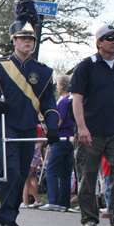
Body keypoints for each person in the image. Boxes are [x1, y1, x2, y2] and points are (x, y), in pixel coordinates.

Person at [0, 0, 59, 226]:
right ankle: (7, 220)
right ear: (14, 40)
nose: (27, 42)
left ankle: (11, 216)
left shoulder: (43, 72)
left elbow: (49, 104)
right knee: (10, 170)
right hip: (5, 125)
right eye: (22, 38)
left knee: (21, 173)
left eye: (31, 38)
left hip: (29, 127)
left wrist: (52, 127)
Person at [70, 23, 114, 226]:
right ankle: (89, 218)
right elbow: (77, 99)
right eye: (110, 38)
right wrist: (82, 127)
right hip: (90, 130)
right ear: (99, 43)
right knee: (87, 176)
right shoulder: (86, 66)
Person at [40, 75, 74, 212]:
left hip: (60, 139)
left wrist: (49, 126)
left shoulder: (62, 103)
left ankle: (53, 200)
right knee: (65, 171)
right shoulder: (72, 101)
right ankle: (64, 202)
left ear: (60, 88)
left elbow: (58, 121)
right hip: (69, 138)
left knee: (52, 169)